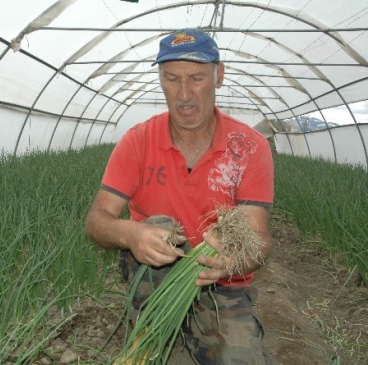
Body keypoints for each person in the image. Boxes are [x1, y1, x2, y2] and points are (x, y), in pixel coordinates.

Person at [84, 28, 274, 364]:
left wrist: (230, 263)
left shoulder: (248, 147)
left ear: (219, 75)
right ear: (160, 79)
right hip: (155, 276)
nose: (184, 94)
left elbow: (257, 237)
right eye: (171, 79)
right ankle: (151, 325)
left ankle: (194, 327)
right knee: (160, 227)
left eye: (197, 78)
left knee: (238, 359)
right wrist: (131, 233)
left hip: (222, 282)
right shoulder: (137, 141)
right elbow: (97, 220)